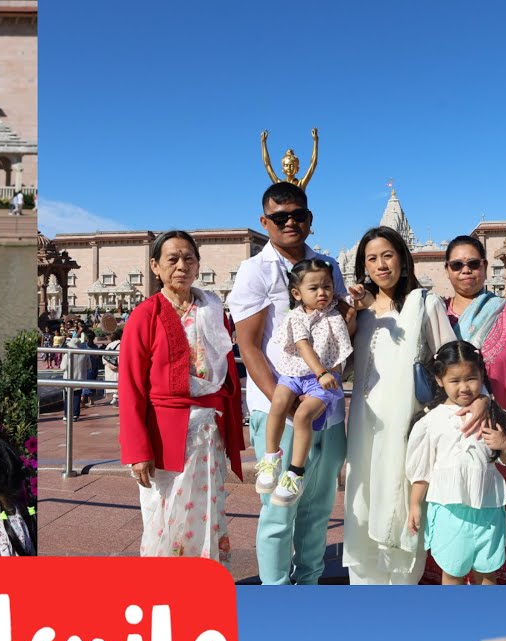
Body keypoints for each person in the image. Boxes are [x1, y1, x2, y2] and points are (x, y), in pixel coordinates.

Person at [343, 226, 486, 584]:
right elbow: (341, 367)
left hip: (410, 429)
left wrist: (480, 399)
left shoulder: (425, 304)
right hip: (364, 427)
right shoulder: (359, 314)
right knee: (364, 503)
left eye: (387, 255)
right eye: (371, 259)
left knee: (404, 504)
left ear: (403, 260)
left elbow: (453, 363)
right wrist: (347, 316)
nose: (380, 265)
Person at [228, 182, 347, 584]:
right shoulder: (254, 271)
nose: (290, 222)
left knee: (317, 510)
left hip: (326, 410)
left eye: (297, 215)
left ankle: (309, 587)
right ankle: (275, 595)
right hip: (279, 409)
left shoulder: (328, 266)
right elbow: (250, 347)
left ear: (310, 220)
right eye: (280, 217)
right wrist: (289, 405)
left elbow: (343, 327)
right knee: (279, 512)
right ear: (265, 222)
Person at [423, 235, 506, 585]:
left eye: (474, 264)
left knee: (503, 529)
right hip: (449, 447)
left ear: (484, 266)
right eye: (458, 265)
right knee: (450, 527)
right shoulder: (438, 317)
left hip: (500, 442)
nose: (466, 272)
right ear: (447, 271)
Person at [118, 230, 244, 567]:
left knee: (209, 512)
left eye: (189, 258)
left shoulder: (213, 311)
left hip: (208, 435)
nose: (181, 265)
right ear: (155, 267)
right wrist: (137, 451)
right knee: (165, 515)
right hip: (166, 435)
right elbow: (130, 386)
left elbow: (227, 375)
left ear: (198, 264)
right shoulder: (146, 315)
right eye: (172, 259)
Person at [406, 340, 506, 585]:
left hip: (489, 507)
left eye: (471, 379)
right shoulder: (432, 420)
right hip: (449, 509)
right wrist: (415, 504)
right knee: (452, 571)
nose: (464, 387)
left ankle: (488, 620)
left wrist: (505, 443)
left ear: (481, 375)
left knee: (488, 570)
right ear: (439, 380)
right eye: (454, 381)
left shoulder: (494, 414)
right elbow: (422, 469)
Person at [254, 257, 354, 507]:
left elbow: (353, 314)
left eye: (327, 286)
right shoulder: (297, 317)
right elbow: (302, 345)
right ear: (297, 293)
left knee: (302, 416)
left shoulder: (335, 313)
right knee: (278, 402)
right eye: (314, 288)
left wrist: (358, 298)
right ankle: (270, 457)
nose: (322, 293)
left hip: (324, 381)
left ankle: (295, 472)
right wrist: (321, 372)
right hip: (298, 374)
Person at [59, 333, 90, 421]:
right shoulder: (84, 354)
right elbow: (89, 366)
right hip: (79, 379)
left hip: (68, 379)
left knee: (67, 397)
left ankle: (66, 414)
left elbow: (62, 367)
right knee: (76, 396)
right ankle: (75, 415)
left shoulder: (67, 355)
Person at [103, 327, 122, 406]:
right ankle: (116, 397)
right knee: (119, 382)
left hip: (109, 366)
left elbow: (104, 357)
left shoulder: (109, 345)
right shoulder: (122, 343)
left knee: (114, 383)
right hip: (118, 366)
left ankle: (115, 397)